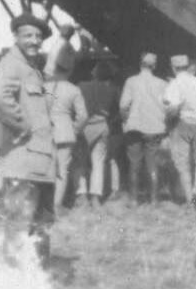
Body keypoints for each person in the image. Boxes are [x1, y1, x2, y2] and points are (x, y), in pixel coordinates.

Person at [0, 13, 55, 264]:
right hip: (22, 161)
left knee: (40, 225)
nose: (34, 41)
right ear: (16, 37)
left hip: (39, 163)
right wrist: (22, 126)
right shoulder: (12, 64)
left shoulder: (31, 69)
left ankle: (37, 283)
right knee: (19, 224)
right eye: (28, 35)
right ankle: (14, 285)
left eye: (38, 36)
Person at [120, 52, 167, 205]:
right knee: (152, 164)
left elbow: (123, 106)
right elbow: (166, 106)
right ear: (154, 66)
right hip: (154, 127)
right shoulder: (162, 83)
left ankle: (133, 199)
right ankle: (154, 200)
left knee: (134, 164)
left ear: (140, 64)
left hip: (134, 126)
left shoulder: (131, 81)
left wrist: (125, 120)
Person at [163, 55, 196, 208]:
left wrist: (167, 114)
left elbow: (172, 108)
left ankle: (190, 200)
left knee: (182, 164)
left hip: (181, 123)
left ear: (173, 67)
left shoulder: (174, 84)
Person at [75, 61, 121, 205]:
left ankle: (81, 195)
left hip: (84, 126)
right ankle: (95, 197)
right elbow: (116, 112)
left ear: (94, 73)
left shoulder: (81, 86)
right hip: (102, 125)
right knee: (98, 162)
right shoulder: (113, 89)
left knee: (80, 162)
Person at [44, 60, 87, 211]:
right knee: (62, 170)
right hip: (65, 132)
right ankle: (57, 205)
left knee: (45, 168)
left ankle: (44, 204)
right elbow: (83, 116)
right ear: (69, 71)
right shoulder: (73, 89)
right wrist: (74, 130)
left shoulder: (45, 87)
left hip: (46, 132)